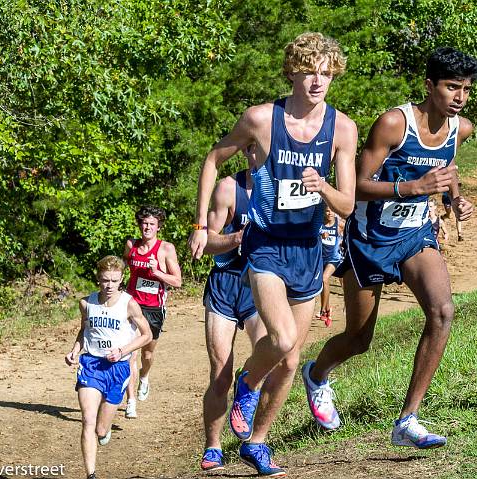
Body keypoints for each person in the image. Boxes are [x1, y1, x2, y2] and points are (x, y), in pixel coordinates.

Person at [189, 32, 357, 477]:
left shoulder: (342, 129)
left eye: (325, 73)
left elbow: (348, 203)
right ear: (292, 72)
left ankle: (257, 442)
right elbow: (212, 159)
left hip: (307, 249)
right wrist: (201, 225)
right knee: (280, 340)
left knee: (289, 362)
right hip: (265, 248)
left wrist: (323, 188)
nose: (318, 81)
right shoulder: (262, 119)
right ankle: (245, 383)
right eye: (308, 72)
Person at [301, 46, 477, 449]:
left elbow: (448, 170)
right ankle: (316, 374)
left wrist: (455, 201)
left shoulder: (460, 128)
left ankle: (408, 419)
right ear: (429, 85)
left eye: (466, 89)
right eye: (452, 87)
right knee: (359, 339)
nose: (459, 97)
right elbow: (355, 186)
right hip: (368, 239)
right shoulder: (393, 124)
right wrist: (411, 188)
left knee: (442, 311)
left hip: (415, 236)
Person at [199, 145, 268, 471]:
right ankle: (213, 447)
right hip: (226, 285)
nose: (262, 156)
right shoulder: (230, 187)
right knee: (221, 373)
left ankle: (249, 383)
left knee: (268, 353)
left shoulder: (284, 186)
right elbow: (207, 241)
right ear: (247, 152)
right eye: (255, 150)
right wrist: (237, 238)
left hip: (259, 285)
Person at [65, 256, 153, 479]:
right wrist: (75, 350)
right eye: (105, 280)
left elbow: (147, 335)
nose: (109, 286)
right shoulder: (86, 303)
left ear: (121, 278)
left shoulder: (129, 304)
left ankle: (105, 430)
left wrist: (123, 351)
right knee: (88, 420)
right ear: (98, 278)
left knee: (101, 429)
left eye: (114, 280)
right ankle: (91, 475)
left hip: (118, 369)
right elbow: (84, 332)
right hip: (91, 365)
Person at [123, 206, 182, 419]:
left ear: (158, 226)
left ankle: (145, 377)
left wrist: (157, 272)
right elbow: (122, 266)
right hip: (131, 305)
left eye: (151, 224)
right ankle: (130, 401)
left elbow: (177, 281)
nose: (147, 227)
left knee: (147, 354)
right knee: (130, 354)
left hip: (153, 308)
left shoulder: (165, 249)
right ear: (140, 224)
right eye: (144, 223)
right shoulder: (131, 245)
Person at [317, 205, 344, 327]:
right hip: (320, 258)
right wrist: (320, 236)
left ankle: (322, 310)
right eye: (327, 211)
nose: (329, 213)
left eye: (332, 211)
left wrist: (343, 241)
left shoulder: (339, 224)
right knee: (322, 284)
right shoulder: (319, 225)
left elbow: (350, 232)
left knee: (324, 278)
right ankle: (328, 310)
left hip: (334, 259)